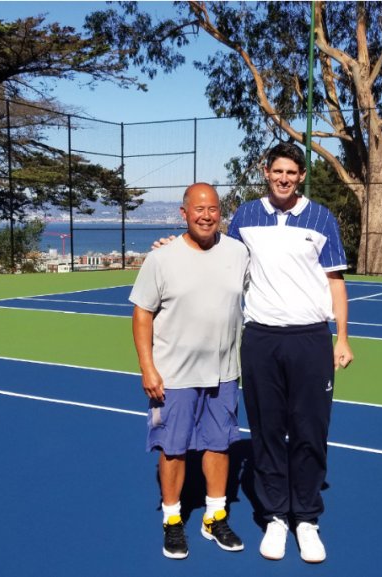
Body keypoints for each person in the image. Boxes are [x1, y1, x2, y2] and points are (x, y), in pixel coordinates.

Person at [228, 142, 353, 564]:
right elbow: (223, 263)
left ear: (301, 176)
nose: (284, 178)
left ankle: (307, 519)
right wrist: (175, 246)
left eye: (291, 172)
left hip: (310, 339)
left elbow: (335, 282)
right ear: (266, 172)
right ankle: (276, 516)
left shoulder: (321, 218)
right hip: (260, 339)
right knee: (266, 431)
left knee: (309, 429)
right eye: (277, 171)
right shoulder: (245, 216)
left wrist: (342, 337)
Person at [129, 182, 250, 560]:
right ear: (184, 213)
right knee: (173, 448)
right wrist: (148, 368)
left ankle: (215, 517)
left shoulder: (238, 253)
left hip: (224, 372)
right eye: (198, 209)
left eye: (213, 209)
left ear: (220, 213)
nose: (206, 216)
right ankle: (172, 519)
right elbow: (142, 314)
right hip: (174, 376)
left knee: (219, 444)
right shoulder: (161, 259)